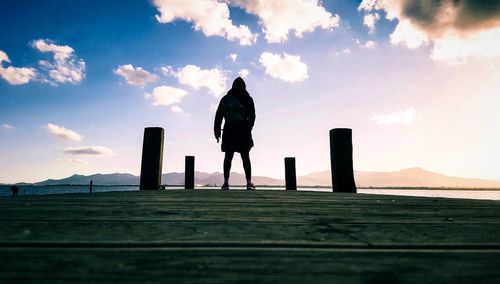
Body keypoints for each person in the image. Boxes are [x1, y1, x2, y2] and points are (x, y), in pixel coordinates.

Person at [214, 77, 256, 190]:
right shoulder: (248, 98)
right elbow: (252, 116)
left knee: (228, 156)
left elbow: (219, 115)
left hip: (229, 130)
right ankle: (249, 183)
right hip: (243, 130)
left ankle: (226, 183)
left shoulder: (226, 99)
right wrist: (248, 128)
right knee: (245, 157)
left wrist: (217, 130)